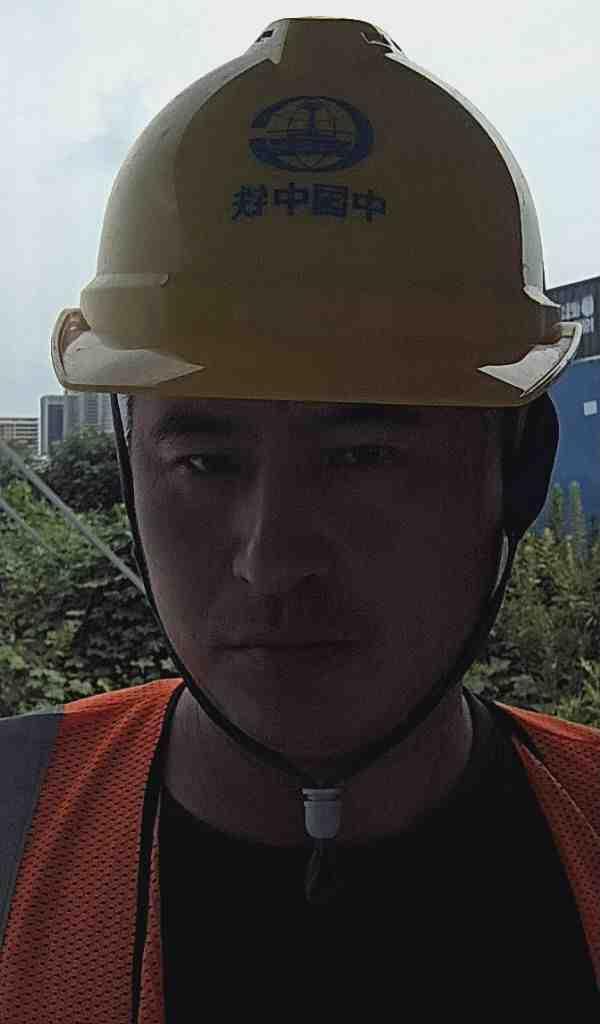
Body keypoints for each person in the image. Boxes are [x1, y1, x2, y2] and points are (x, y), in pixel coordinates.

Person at [1, 16, 598, 1021]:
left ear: (520, 471)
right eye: (205, 461)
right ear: (131, 468)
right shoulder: (13, 826)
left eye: (363, 457)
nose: (271, 561)